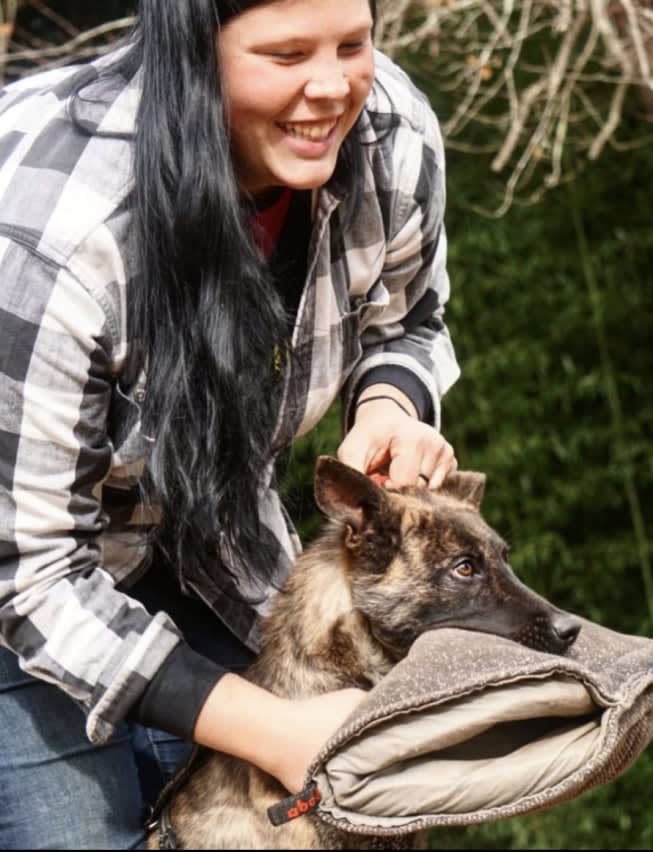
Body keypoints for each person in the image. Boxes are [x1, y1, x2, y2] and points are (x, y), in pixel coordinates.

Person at [0, 0, 459, 846]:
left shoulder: (388, 130)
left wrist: (390, 402)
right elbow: (29, 574)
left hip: (206, 538)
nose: (332, 86)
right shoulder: (54, 230)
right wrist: (276, 730)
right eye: (285, 55)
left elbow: (408, 322)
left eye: (352, 44)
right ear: (191, 49)